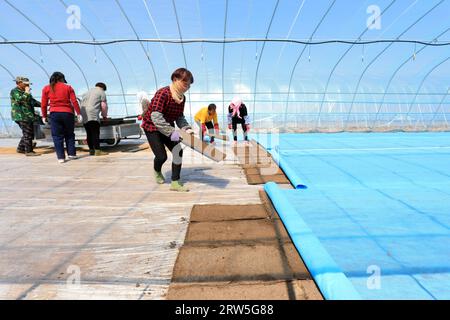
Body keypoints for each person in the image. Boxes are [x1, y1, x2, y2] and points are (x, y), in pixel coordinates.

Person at [142, 68, 195, 192]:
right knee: (161, 156)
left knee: (178, 151)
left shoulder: (182, 98)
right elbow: (156, 117)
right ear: (175, 79)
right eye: (185, 83)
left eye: (189, 85)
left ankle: (175, 182)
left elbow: (179, 116)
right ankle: (157, 170)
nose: (187, 87)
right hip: (152, 127)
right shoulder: (163, 93)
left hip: (168, 127)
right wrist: (173, 132)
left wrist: (186, 129)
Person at [41, 72, 82, 163]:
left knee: (57, 136)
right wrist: (79, 113)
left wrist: (43, 116)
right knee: (69, 134)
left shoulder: (46, 88)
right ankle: (71, 154)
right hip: (68, 113)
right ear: (62, 78)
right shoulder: (68, 87)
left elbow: (43, 104)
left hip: (54, 114)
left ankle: (61, 157)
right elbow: (74, 101)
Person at [10, 76, 41, 156]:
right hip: (21, 116)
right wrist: (26, 93)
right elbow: (20, 100)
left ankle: (21, 148)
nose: (28, 86)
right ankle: (29, 151)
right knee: (28, 133)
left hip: (28, 116)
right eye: (26, 84)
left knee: (28, 132)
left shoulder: (25, 92)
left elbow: (33, 102)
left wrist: (44, 104)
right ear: (19, 83)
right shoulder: (14, 91)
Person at [80, 82, 109, 156]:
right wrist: (104, 116)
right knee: (95, 133)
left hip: (84, 114)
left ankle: (91, 150)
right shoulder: (101, 92)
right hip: (93, 114)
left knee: (89, 133)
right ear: (103, 88)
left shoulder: (87, 92)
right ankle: (97, 150)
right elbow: (103, 106)